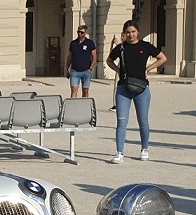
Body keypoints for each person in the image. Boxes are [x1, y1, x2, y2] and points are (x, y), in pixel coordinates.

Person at [106, 20, 167, 163]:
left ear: (138, 32)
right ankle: (119, 152)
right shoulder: (121, 48)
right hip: (123, 87)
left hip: (142, 87)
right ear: (124, 33)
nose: (131, 35)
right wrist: (118, 70)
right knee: (121, 121)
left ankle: (144, 149)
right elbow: (109, 60)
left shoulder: (145, 46)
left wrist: (148, 69)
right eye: (128, 32)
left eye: (133, 32)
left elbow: (162, 58)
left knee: (143, 120)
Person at [65, 25, 97, 98]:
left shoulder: (90, 43)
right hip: (75, 70)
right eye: (78, 32)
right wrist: (66, 68)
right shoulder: (73, 43)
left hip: (86, 70)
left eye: (82, 32)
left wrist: (90, 68)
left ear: (85, 33)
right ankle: (73, 103)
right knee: (74, 90)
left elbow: (94, 57)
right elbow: (70, 57)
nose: (80, 34)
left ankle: (84, 103)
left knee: (85, 91)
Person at [108, 34, 119, 111]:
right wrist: (112, 44)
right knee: (116, 86)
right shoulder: (119, 47)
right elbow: (111, 55)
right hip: (119, 68)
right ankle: (115, 104)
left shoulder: (124, 46)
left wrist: (117, 44)